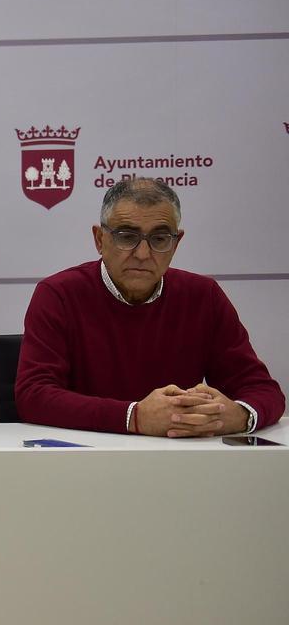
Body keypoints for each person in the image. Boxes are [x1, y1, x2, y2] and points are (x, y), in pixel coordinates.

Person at [15, 178, 284, 436]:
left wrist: (238, 415)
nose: (143, 254)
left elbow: (262, 390)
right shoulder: (59, 294)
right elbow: (33, 395)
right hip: (85, 460)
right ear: (99, 240)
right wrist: (135, 417)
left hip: (182, 462)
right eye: (126, 236)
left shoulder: (203, 296)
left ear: (176, 243)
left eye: (159, 239)